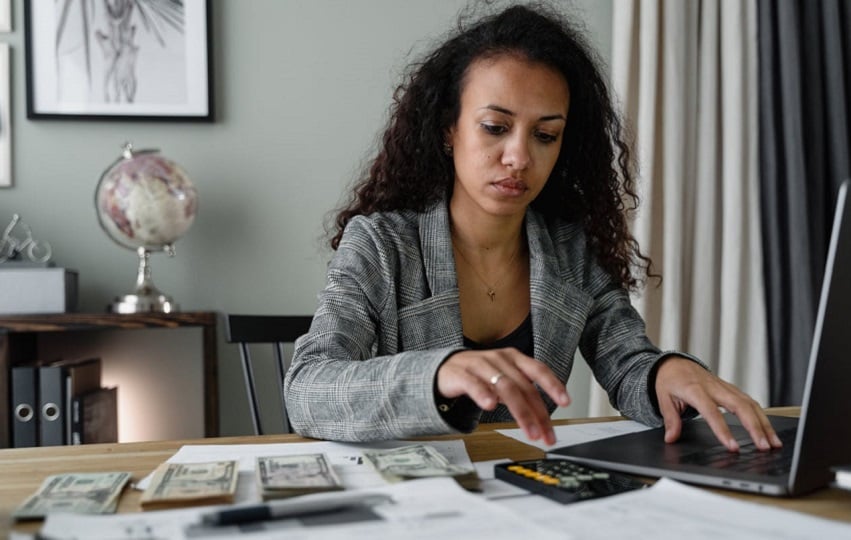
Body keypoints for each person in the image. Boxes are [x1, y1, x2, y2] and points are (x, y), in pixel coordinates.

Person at [284, 2, 782, 452]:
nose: (520, 156)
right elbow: (308, 388)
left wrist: (666, 371)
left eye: (545, 135)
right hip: (416, 497)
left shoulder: (568, 250)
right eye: (496, 128)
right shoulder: (381, 244)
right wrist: (437, 374)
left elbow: (627, 362)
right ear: (448, 130)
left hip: (524, 492)